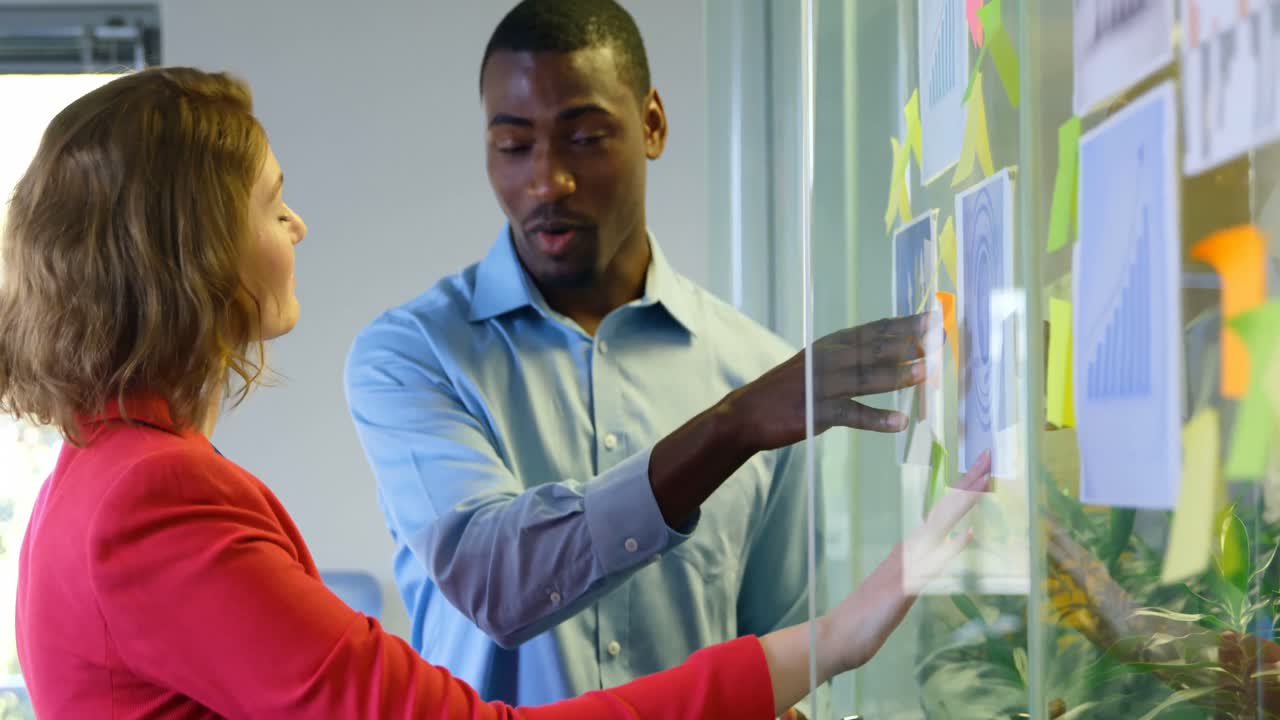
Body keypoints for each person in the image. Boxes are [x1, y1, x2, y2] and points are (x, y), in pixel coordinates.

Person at [5, 66, 988, 719]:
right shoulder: (159, 492)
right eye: (271, 203)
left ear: (650, 128)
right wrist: (839, 637)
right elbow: (486, 608)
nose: (297, 226)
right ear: (193, 252)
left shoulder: (109, 475)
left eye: (584, 136)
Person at [344, 1, 934, 714]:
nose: (547, 181)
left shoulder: (761, 370)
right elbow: (495, 581)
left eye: (586, 138)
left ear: (652, 124)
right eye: (512, 146)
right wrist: (726, 429)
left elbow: (786, 664)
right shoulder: (412, 356)